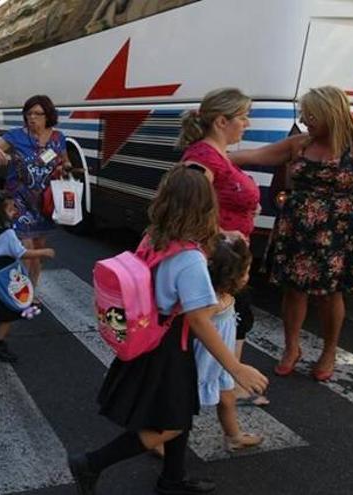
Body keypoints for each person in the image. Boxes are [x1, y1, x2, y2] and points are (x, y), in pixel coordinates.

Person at [67, 166, 268, 495]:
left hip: (153, 334)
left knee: (180, 409)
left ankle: (172, 478)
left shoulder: (154, 236)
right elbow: (201, 320)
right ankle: (91, 463)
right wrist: (236, 366)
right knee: (169, 423)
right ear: (204, 207)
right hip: (170, 346)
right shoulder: (189, 260)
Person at [231, 86, 353, 381]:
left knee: (330, 295)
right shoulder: (298, 144)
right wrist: (208, 156)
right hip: (296, 227)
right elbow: (255, 155)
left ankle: (328, 351)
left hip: (336, 231)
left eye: (310, 115)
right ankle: (291, 347)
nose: (305, 120)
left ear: (330, 114)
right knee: (293, 290)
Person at [178, 87, 268, 406]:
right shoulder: (202, 158)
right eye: (243, 118)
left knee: (236, 318)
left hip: (226, 260)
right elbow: (187, 206)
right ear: (221, 121)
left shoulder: (216, 154)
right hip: (215, 262)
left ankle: (228, 391)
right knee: (221, 323)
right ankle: (218, 389)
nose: (247, 124)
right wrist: (222, 232)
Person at [0, 95, 72, 299]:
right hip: (18, 201)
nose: (32, 117)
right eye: (29, 113)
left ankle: (31, 290)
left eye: (37, 113)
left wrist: (65, 167)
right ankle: (21, 291)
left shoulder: (58, 138)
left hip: (45, 202)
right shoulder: (15, 136)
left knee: (38, 249)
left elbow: (65, 161)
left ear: (48, 116)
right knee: (26, 247)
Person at [194, 234, 263, 451]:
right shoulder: (211, 300)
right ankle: (160, 437)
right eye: (246, 271)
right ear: (232, 276)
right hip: (205, 359)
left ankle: (233, 435)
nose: (248, 276)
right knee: (186, 401)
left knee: (227, 396)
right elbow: (197, 324)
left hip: (222, 360)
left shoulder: (228, 295)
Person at [0, 191, 55, 363]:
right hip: (4, 274)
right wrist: (44, 252)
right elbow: (22, 253)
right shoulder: (8, 234)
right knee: (10, 310)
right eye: (10, 209)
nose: (15, 211)